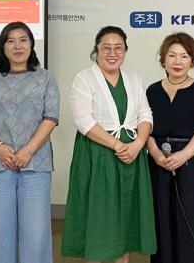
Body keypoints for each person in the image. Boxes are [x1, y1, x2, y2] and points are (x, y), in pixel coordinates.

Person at [62, 26, 156, 263]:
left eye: (118, 48)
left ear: (125, 50)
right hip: (98, 156)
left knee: (126, 219)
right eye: (106, 48)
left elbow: (145, 115)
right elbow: (83, 120)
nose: (112, 53)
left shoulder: (133, 79)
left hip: (132, 157)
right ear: (97, 49)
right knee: (99, 219)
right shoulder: (84, 78)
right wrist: (117, 145)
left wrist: (138, 144)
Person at [0, 21, 60, 263]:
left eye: (23, 40)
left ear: (31, 44)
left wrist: (27, 151)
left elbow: (51, 117)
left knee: (36, 230)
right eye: (10, 41)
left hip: (36, 162)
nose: (17, 46)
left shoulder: (45, 78)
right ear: (2, 47)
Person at [146, 32, 194, 263]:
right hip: (157, 161)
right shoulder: (152, 91)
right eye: (172, 55)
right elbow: (144, 127)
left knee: (190, 217)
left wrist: (183, 155)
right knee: (161, 216)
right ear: (163, 59)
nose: (177, 61)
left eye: (184, 56)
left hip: (191, 162)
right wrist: (155, 153)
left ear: (192, 60)